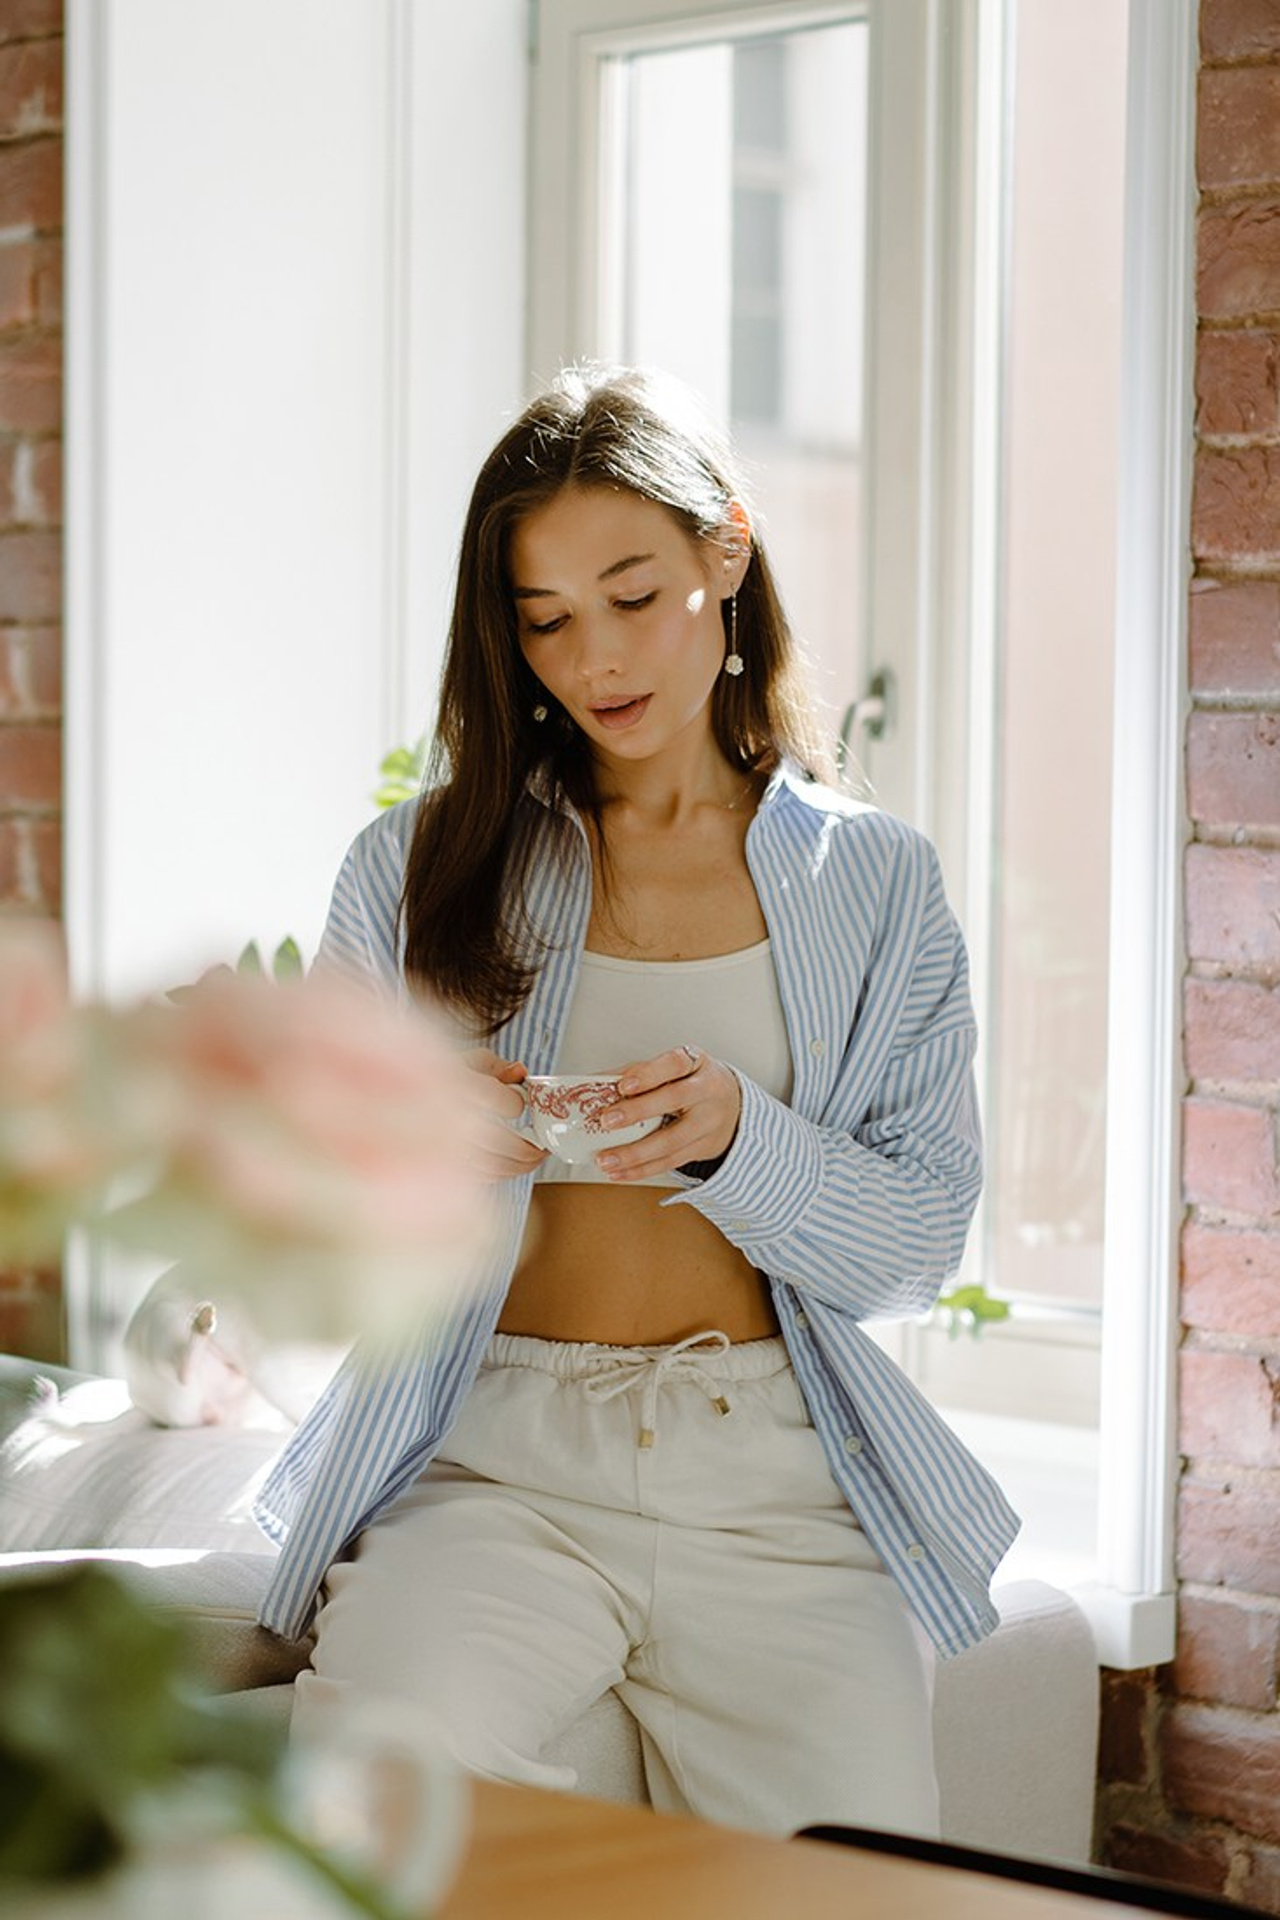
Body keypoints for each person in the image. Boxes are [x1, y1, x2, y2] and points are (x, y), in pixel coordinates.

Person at [254, 364, 1019, 1839]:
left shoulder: (875, 885)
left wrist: (743, 1141)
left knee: (868, 1881)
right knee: (366, 1828)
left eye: (631, 594)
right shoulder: (411, 871)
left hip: (776, 1481)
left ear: (725, 554)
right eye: (543, 621)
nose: (593, 657)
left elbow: (918, 1246)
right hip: (496, 1468)